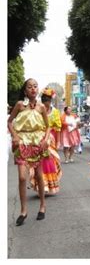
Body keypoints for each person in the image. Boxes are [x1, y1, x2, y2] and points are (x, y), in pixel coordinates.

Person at [7, 78, 50, 226]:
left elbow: (48, 126)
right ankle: (23, 210)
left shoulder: (42, 107)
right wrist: (15, 136)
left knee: (39, 176)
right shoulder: (19, 105)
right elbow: (9, 122)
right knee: (22, 178)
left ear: (38, 90)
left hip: (37, 143)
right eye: (30, 87)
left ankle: (42, 206)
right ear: (25, 91)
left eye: (35, 86)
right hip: (22, 143)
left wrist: (45, 139)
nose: (33, 89)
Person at [29, 88, 62, 194]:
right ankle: (41, 185)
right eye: (44, 101)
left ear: (50, 101)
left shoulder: (55, 112)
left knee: (50, 162)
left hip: (50, 140)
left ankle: (49, 184)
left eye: (47, 101)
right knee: (39, 162)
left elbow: (58, 128)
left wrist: (58, 142)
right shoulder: (36, 110)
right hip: (38, 138)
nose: (45, 104)